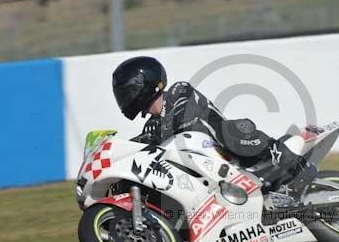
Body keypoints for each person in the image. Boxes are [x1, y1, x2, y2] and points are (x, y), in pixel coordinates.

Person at [111, 56, 316, 197]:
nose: (126, 97)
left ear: (144, 84)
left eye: (128, 90)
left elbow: (181, 118)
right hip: (205, 175)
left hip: (228, 150)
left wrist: (152, 136)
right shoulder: (151, 126)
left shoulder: (178, 92)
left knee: (231, 131)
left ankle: (284, 157)